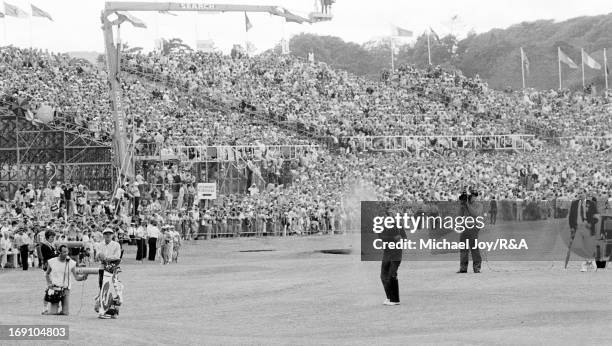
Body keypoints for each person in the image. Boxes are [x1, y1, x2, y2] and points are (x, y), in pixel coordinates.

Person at [43, 244, 88, 315]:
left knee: (65, 313)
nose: (66, 254)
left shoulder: (71, 263)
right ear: (59, 252)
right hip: (55, 289)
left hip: (65, 289)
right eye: (64, 252)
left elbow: (76, 277)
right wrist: (49, 283)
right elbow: (47, 274)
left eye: (67, 252)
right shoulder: (52, 261)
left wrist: (84, 277)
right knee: (53, 313)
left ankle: (61, 309)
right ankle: (48, 309)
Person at [379, 207, 407, 306]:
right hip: (387, 254)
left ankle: (394, 299)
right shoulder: (383, 227)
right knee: (383, 276)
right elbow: (381, 237)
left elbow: (404, 238)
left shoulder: (398, 226)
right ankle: (389, 298)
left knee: (391, 275)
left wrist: (400, 241)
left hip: (396, 254)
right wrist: (394, 238)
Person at [458, 190, 483, 273]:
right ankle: (463, 268)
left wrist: (467, 205)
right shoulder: (465, 205)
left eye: (473, 196)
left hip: (473, 228)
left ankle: (477, 267)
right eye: (470, 196)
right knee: (463, 248)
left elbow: (475, 214)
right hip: (464, 228)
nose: (471, 197)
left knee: (474, 248)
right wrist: (462, 205)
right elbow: (460, 215)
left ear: (475, 197)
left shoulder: (479, 205)